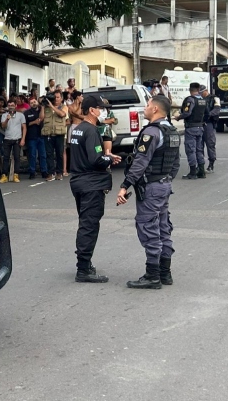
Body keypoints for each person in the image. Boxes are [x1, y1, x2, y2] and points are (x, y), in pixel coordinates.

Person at [117, 95, 180, 289]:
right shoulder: (172, 131)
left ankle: (152, 275)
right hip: (164, 185)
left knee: (149, 228)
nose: (144, 108)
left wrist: (125, 185)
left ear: (155, 109)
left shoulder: (151, 132)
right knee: (163, 227)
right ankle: (165, 273)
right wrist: (166, 181)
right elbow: (176, 163)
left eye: (147, 105)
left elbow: (140, 162)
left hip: (151, 187)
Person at [68, 95, 122, 283]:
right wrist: (109, 159)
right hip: (91, 184)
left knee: (85, 223)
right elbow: (96, 159)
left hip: (79, 182)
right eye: (101, 108)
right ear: (92, 110)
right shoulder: (91, 131)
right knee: (89, 226)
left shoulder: (77, 129)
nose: (103, 111)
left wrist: (105, 157)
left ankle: (84, 264)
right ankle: (83, 268)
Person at [174, 82, 207, 179]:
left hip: (191, 128)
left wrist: (178, 117)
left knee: (190, 150)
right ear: (198, 89)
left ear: (190, 89)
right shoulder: (203, 100)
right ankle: (201, 171)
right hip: (200, 127)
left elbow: (187, 113)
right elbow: (207, 113)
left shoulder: (190, 100)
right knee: (199, 150)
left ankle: (193, 172)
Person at [41, 91, 67, 181]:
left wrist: (52, 107)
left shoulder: (64, 107)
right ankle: (50, 173)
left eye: (58, 97)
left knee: (59, 154)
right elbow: (41, 118)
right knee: (49, 154)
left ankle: (59, 173)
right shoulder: (46, 108)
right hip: (48, 134)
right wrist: (42, 106)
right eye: (54, 97)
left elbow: (62, 114)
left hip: (59, 134)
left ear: (61, 98)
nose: (55, 99)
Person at [0, 100, 26, 183]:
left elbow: (24, 127)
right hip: (7, 138)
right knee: (6, 157)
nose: (11, 106)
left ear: (15, 106)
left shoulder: (20, 115)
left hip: (17, 139)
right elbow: (3, 126)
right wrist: (7, 119)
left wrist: (23, 139)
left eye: (12, 105)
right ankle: (4, 175)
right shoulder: (4, 115)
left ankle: (16, 174)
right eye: (9, 105)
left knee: (17, 157)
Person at [24, 98, 48, 180]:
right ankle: (32, 172)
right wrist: (34, 122)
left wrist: (43, 107)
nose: (33, 103)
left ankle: (44, 171)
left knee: (43, 155)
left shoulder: (41, 110)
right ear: (29, 104)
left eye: (34, 102)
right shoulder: (27, 113)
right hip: (31, 137)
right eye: (31, 103)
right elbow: (25, 124)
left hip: (41, 136)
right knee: (32, 155)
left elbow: (42, 118)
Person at [200, 85, 220, 173]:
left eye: (201, 92)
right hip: (200, 124)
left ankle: (211, 163)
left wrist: (207, 115)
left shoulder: (215, 98)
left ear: (206, 91)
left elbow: (217, 110)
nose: (200, 94)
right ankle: (200, 165)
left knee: (210, 144)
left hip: (209, 124)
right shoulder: (199, 99)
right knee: (199, 146)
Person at [64, 90, 84, 177]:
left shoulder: (83, 106)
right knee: (72, 148)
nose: (82, 98)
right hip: (74, 126)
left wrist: (80, 106)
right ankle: (73, 166)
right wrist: (79, 105)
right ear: (77, 97)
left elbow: (83, 116)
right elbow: (75, 114)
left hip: (81, 126)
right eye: (81, 96)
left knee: (81, 147)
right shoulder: (70, 106)